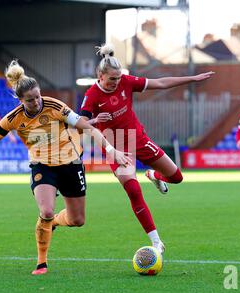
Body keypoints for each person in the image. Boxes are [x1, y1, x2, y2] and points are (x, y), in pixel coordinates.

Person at [0, 60, 132, 275]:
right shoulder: (13, 118)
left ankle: (54, 222)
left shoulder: (54, 106)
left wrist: (110, 149)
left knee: (77, 220)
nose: (36, 102)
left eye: (38, 96)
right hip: (42, 167)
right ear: (20, 100)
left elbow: (83, 124)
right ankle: (41, 262)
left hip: (71, 164)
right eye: (30, 100)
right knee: (46, 210)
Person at [79, 43, 215, 253]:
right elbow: (81, 125)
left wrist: (192, 79)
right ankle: (156, 241)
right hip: (115, 146)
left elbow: (160, 83)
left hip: (139, 139)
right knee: (133, 190)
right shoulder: (92, 95)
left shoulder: (126, 81)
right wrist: (96, 120)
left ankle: (154, 175)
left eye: (118, 78)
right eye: (111, 79)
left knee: (177, 177)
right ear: (100, 75)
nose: (116, 82)